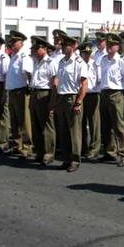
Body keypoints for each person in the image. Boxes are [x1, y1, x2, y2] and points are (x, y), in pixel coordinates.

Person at [98, 33, 124, 167]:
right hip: (104, 93)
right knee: (106, 125)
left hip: (116, 93)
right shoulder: (103, 60)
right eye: (108, 44)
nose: (109, 47)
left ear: (117, 47)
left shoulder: (122, 61)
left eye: (112, 45)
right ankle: (109, 152)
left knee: (119, 125)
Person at [54, 35, 88, 172]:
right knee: (63, 131)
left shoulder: (79, 62)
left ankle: (75, 160)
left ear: (73, 47)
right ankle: (66, 158)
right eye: (62, 45)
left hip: (72, 98)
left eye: (65, 45)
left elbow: (84, 83)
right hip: (62, 97)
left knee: (74, 131)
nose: (63, 47)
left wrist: (78, 102)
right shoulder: (62, 62)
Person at [29, 36, 58, 165]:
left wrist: (52, 101)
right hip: (34, 93)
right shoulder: (36, 61)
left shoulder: (51, 63)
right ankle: (39, 151)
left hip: (44, 94)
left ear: (44, 49)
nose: (34, 50)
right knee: (35, 125)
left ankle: (49, 153)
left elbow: (54, 83)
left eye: (37, 48)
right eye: (34, 48)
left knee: (47, 125)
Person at [5, 31, 33, 157]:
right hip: (12, 91)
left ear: (20, 43)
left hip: (21, 91)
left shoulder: (24, 57)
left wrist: (29, 87)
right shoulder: (13, 57)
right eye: (11, 41)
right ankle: (17, 145)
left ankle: (27, 147)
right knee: (14, 121)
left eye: (14, 42)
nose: (11, 44)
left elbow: (29, 74)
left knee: (24, 121)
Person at [78, 41, 102, 161]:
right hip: (82, 95)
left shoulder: (96, 65)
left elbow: (99, 80)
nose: (87, 55)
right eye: (84, 53)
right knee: (81, 122)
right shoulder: (78, 64)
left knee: (94, 123)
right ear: (81, 53)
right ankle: (83, 147)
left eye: (88, 53)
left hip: (93, 95)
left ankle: (94, 149)